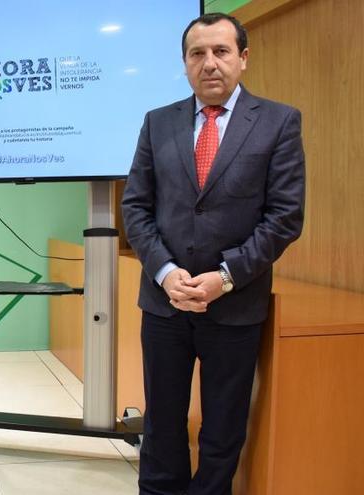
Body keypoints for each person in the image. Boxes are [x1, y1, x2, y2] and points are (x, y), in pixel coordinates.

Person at [121, 13, 305, 495]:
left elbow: (284, 217)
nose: (209, 64)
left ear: (243, 58)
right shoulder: (157, 123)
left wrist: (223, 277)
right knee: (161, 423)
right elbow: (136, 207)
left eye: (221, 52)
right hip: (164, 303)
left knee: (223, 429)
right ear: (184, 63)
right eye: (197, 54)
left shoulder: (279, 122)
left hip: (236, 304)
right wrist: (164, 271)